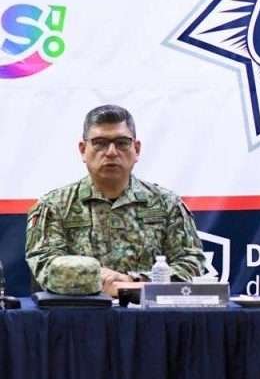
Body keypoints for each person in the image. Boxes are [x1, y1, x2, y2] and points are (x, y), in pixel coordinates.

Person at [25, 105, 205, 294]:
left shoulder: (166, 204)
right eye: (100, 143)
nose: (111, 152)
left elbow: (192, 263)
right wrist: (95, 277)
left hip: (147, 310)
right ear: (83, 150)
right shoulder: (55, 205)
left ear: (136, 149)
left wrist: (132, 282)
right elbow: (45, 264)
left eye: (122, 143)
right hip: (80, 310)